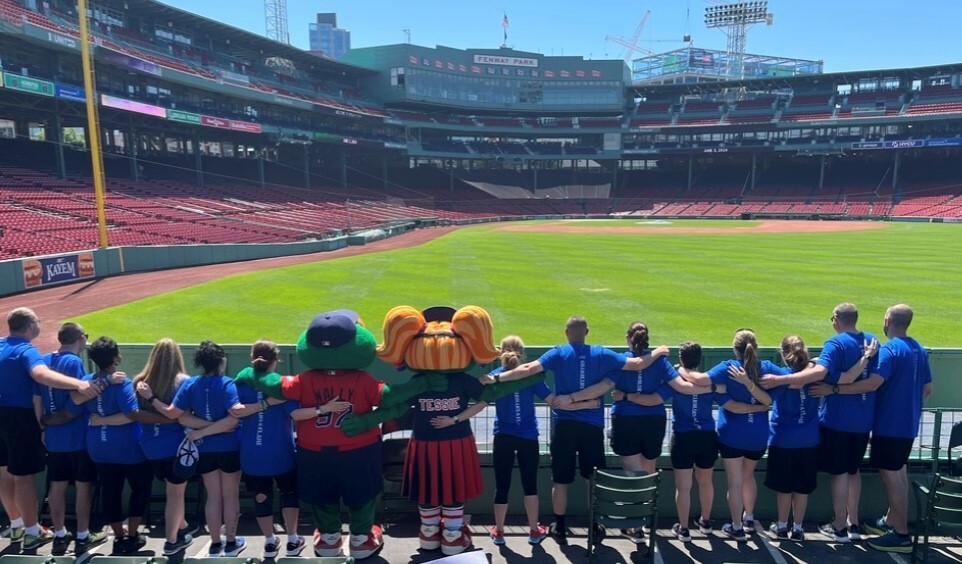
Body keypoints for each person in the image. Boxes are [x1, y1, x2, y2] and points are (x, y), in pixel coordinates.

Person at [488, 316, 669, 543]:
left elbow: (528, 369)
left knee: (560, 481)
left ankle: (561, 528)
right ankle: (594, 526)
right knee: (591, 478)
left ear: (566, 332)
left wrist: (496, 379)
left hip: (563, 426)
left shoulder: (558, 353)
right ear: (588, 332)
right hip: (592, 428)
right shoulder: (601, 353)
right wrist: (659, 350)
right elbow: (638, 364)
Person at [813, 305, 932, 554]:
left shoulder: (890, 349)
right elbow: (926, 389)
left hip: (888, 425)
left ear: (887, 321)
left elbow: (871, 383)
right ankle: (890, 521)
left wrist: (833, 389)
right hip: (909, 423)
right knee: (899, 473)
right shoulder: (918, 349)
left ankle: (900, 533)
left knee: (891, 477)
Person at [760, 303, 878, 543]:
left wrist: (780, 379)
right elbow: (851, 378)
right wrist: (865, 357)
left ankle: (833, 526)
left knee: (836, 475)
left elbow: (794, 382)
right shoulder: (872, 341)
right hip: (858, 423)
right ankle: (848, 524)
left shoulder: (831, 348)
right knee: (850, 473)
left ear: (836, 319)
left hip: (825, 427)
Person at [0, 308, 99, 550]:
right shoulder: (26, 350)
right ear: (31, 326)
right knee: (23, 476)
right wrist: (80, 384)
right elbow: (40, 374)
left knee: (4, 472)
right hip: (18, 418)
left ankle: (16, 525)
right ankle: (33, 531)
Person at [487, 335, 598, 547]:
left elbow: (481, 400)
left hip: (503, 436)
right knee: (530, 485)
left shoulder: (496, 375)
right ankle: (533, 531)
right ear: (523, 353)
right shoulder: (533, 377)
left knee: (502, 486)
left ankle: (499, 531)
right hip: (528, 437)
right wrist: (586, 403)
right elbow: (555, 403)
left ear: (502, 352)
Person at [138, 341, 244, 557]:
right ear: (221, 361)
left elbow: (175, 414)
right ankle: (231, 542)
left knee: (213, 496)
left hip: (204, 450)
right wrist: (216, 427)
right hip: (229, 447)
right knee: (231, 496)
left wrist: (151, 398)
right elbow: (233, 419)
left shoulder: (191, 384)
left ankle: (215, 544)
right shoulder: (227, 384)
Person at [607, 338, 719, 543]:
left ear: (680, 358)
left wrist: (625, 396)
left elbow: (655, 399)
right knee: (705, 482)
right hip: (707, 436)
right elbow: (725, 395)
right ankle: (705, 522)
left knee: (683, 486)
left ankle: (683, 529)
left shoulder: (674, 381)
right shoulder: (709, 381)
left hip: (684, 437)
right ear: (700, 358)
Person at [679, 329, 774, 542]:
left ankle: (737, 527)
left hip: (732, 436)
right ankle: (748, 518)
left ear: (735, 348)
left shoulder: (727, 368)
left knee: (735, 482)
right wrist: (758, 406)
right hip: (758, 436)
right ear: (755, 347)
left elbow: (699, 379)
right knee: (747, 476)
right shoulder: (766, 367)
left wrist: (681, 369)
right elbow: (771, 397)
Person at [31, 323, 107, 555]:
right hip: (77, 437)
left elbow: (37, 400)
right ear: (81, 339)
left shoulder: (43, 360)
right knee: (84, 485)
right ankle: (83, 536)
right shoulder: (73, 362)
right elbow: (78, 395)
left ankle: (60, 535)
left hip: (53, 439)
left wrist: (43, 428)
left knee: (57, 485)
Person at [75, 337, 154, 555]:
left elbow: (78, 402)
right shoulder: (122, 383)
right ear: (116, 358)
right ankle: (132, 534)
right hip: (128, 448)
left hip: (98, 448)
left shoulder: (86, 381)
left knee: (110, 490)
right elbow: (130, 415)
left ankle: (119, 537)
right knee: (141, 487)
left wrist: (100, 420)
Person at [229, 340, 305, 558]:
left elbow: (234, 412)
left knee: (261, 496)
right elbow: (295, 415)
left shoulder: (240, 384)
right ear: (275, 361)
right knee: (289, 493)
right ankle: (292, 540)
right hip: (282, 452)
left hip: (252, 454)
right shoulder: (283, 386)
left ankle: (270, 543)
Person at [130, 338, 206, 555]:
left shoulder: (140, 381)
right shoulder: (184, 381)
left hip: (150, 448)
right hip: (175, 449)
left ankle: (181, 529)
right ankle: (172, 542)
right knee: (175, 495)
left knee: (172, 492)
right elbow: (185, 416)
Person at [761, 336, 822, 541]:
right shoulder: (815, 376)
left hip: (783, 439)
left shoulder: (782, 375)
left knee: (784, 487)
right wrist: (812, 363)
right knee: (802, 487)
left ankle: (780, 526)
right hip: (809, 440)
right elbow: (822, 362)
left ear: (783, 354)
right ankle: (797, 528)